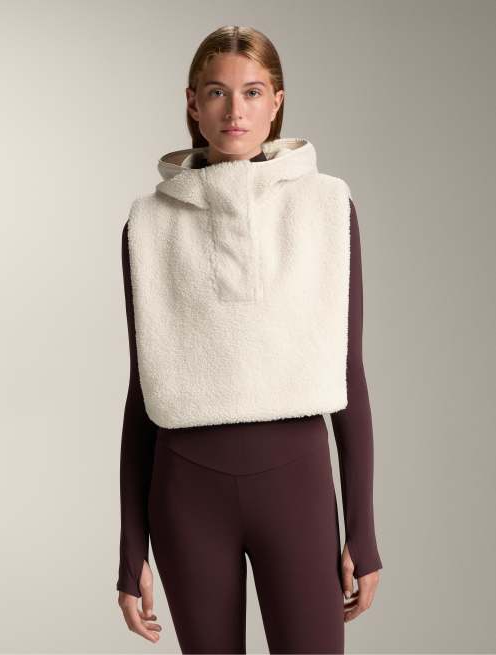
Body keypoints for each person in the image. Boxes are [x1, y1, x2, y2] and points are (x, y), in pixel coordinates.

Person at [116, 25, 383, 655]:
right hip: (186, 494)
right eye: (217, 92)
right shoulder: (148, 224)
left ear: (277, 102)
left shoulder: (326, 207)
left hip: (296, 486)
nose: (235, 110)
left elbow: (348, 372)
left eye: (253, 92)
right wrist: (131, 550)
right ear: (193, 102)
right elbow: (142, 388)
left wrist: (363, 532)